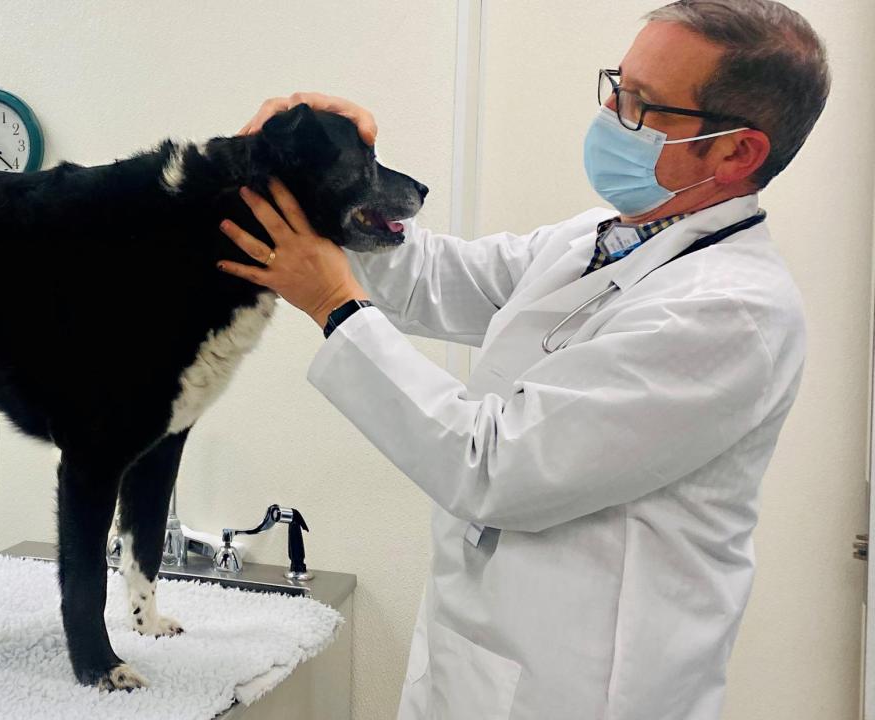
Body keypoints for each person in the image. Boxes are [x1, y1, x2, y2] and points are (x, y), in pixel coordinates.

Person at [217, 1, 830, 718]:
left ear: (736, 152)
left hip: (586, 686)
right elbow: (436, 279)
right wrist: (321, 186)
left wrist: (335, 305)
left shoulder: (732, 312)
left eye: (640, 104)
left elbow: (494, 467)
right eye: (615, 84)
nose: (610, 112)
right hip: (479, 658)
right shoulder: (601, 238)